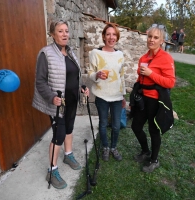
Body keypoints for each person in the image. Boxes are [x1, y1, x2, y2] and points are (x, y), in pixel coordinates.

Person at [32, 20, 89, 189]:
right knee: (59, 134)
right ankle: (52, 169)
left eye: (66, 31)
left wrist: (82, 88)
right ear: (52, 34)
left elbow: (73, 77)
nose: (65, 34)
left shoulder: (70, 52)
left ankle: (68, 154)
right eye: (60, 31)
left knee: (70, 128)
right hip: (58, 103)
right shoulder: (46, 53)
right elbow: (40, 81)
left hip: (72, 100)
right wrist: (51, 97)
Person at [131, 26, 175, 173]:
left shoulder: (166, 58)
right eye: (150, 36)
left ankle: (154, 160)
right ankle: (145, 151)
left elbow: (170, 82)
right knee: (136, 126)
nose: (152, 40)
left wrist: (151, 74)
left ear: (161, 41)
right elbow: (140, 77)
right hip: (143, 99)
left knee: (153, 130)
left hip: (156, 101)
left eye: (156, 37)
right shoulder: (144, 58)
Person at [88, 23, 126, 162]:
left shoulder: (120, 55)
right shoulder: (95, 53)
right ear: (103, 36)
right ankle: (105, 147)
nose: (111, 37)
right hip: (102, 95)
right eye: (108, 34)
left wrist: (123, 96)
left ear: (117, 37)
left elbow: (121, 76)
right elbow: (90, 73)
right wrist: (97, 75)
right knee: (103, 123)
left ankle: (113, 147)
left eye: (114, 34)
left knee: (116, 125)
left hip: (116, 96)